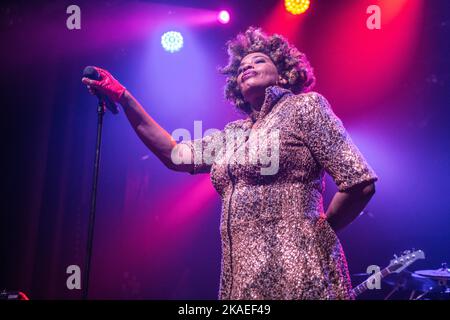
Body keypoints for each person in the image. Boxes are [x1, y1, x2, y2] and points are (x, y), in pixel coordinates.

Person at [82, 27, 377, 300]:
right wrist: (124, 98)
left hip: (300, 272)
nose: (246, 67)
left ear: (284, 75)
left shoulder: (305, 107)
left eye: (259, 61)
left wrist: (318, 236)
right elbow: (174, 154)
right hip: (242, 284)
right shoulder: (233, 135)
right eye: (241, 68)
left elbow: (359, 183)